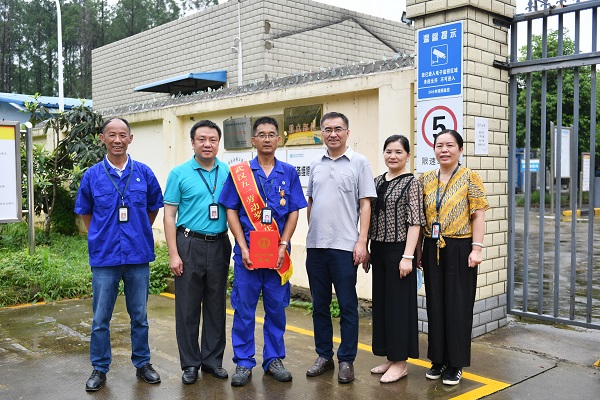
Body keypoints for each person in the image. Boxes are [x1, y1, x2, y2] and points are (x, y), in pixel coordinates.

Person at [75, 117, 164, 392]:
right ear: (102, 138)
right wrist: (100, 235)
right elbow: (86, 212)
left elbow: (153, 207)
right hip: (105, 257)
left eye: (122, 135)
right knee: (101, 318)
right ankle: (99, 368)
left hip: (138, 256)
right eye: (111, 135)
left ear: (130, 138)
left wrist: (138, 230)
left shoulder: (144, 173)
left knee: (139, 316)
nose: (117, 140)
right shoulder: (92, 175)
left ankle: (143, 363)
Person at [219, 116, 308, 387]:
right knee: (244, 309)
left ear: (278, 139)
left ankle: (273, 360)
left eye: (271, 134)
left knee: (276, 309)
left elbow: (293, 212)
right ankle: (244, 362)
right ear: (253, 140)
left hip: (277, 257)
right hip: (247, 256)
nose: (267, 139)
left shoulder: (288, 172)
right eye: (262, 134)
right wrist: (242, 246)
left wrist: (283, 245)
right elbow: (230, 210)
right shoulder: (241, 173)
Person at [305, 111, 376, 384]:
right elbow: (311, 202)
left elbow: (365, 205)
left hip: (345, 247)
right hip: (316, 247)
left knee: (347, 305)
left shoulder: (360, 163)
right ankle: (324, 356)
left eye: (338, 129)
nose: (332, 134)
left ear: (347, 132)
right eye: (327, 129)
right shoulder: (315, 163)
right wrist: (313, 235)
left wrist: (362, 242)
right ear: (322, 133)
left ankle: (346, 360)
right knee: (319, 306)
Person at [163, 120, 232, 384]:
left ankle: (212, 361)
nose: (207, 144)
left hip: (219, 243)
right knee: (187, 307)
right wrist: (173, 253)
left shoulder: (228, 172)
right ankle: (190, 363)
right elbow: (169, 216)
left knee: (216, 305)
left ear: (218, 143)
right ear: (192, 143)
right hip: (189, 243)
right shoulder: (179, 173)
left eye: (212, 139)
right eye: (201, 139)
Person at [418, 129, 488, 386]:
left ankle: (455, 364)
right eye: (439, 146)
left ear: (460, 149)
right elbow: (420, 218)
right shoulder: (425, 179)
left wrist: (477, 249)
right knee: (435, 304)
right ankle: (438, 360)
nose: (444, 150)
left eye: (450, 145)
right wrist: (419, 251)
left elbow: (478, 215)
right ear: (434, 150)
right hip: (432, 246)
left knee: (458, 306)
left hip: (461, 247)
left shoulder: (470, 177)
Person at [367, 135, 425, 383]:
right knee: (382, 305)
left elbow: (416, 222)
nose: (393, 156)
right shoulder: (377, 181)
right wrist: (367, 247)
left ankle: (401, 363)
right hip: (378, 249)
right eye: (389, 151)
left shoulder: (412, 183)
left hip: (400, 250)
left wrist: (408, 256)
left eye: (398, 152)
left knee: (399, 307)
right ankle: (390, 356)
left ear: (408, 156)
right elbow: (369, 216)